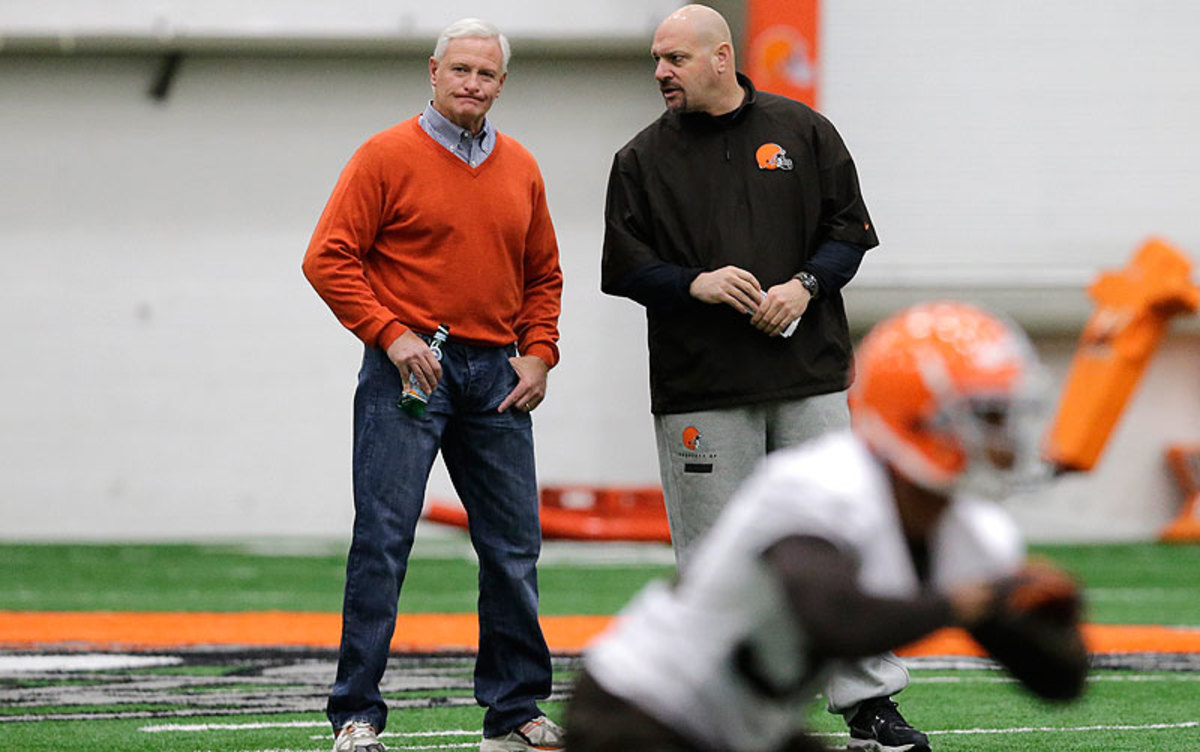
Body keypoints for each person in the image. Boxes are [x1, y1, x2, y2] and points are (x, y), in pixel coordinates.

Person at [599, 4, 922, 746]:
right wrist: (694, 284)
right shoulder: (639, 159)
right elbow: (623, 268)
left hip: (807, 380)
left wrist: (805, 285)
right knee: (717, 564)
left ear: (721, 57)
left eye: (674, 60)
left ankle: (871, 705)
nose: (660, 73)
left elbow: (851, 233)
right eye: (656, 59)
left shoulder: (804, 132)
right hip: (702, 391)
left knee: (840, 541)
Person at [566, 301, 1090, 751]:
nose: (1006, 440)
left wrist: (1051, 628)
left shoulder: (973, 530)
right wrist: (965, 602)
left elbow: (1058, 684)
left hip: (748, 725)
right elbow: (831, 618)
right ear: (916, 415)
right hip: (638, 707)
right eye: (988, 417)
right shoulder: (821, 482)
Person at [302, 18, 565, 752]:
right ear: (433, 71)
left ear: (501, 85)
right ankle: (355, 715)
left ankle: (515, 711)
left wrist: (539, 352)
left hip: (499, 376)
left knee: (514, 548)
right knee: (383, 542)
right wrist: (390, 333)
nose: (473, 84)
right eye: (461, 71)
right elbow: (328, 258)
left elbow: (543, 274)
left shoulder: (522, 167)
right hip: (409, 372)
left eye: (486, 74)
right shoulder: (384, 156)